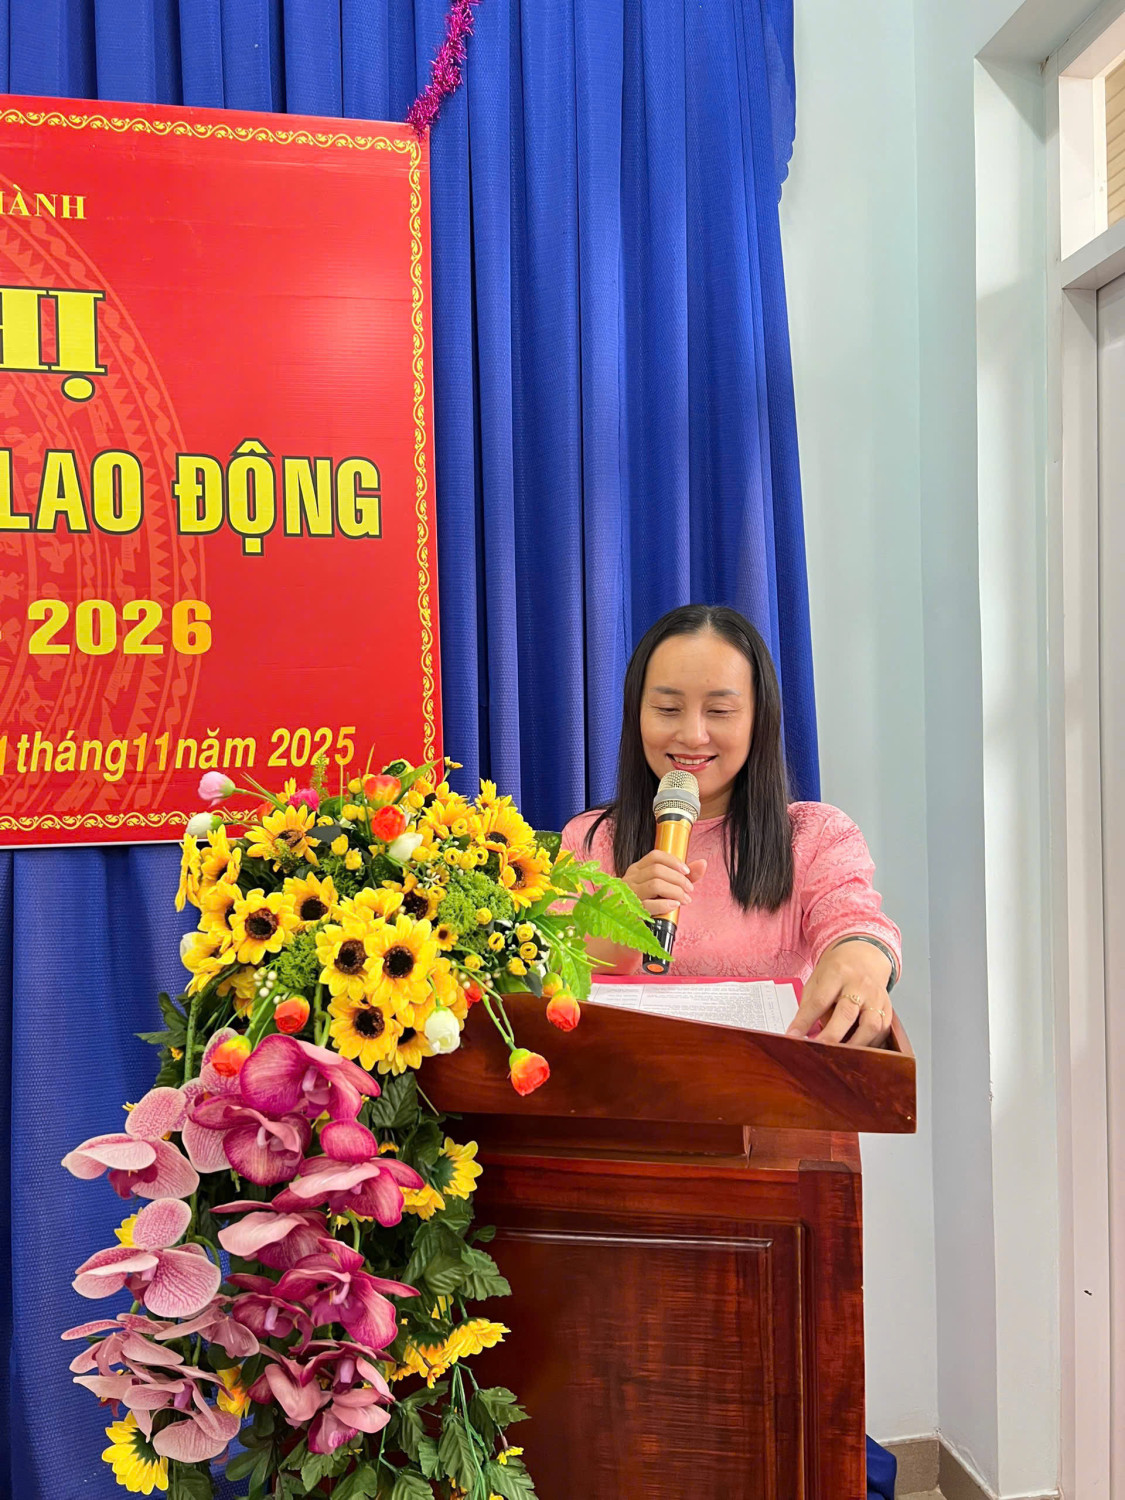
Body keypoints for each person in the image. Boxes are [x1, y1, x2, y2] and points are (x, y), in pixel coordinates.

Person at [561, 604, 900, 1046]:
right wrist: (618, 924)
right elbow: (546, 972)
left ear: (759, 719)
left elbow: (855, 922)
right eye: (667, 708)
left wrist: (860, 957)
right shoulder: (591, 840)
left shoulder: (816, 836)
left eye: (720, 711)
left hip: (765, 1079)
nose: (692, 735)